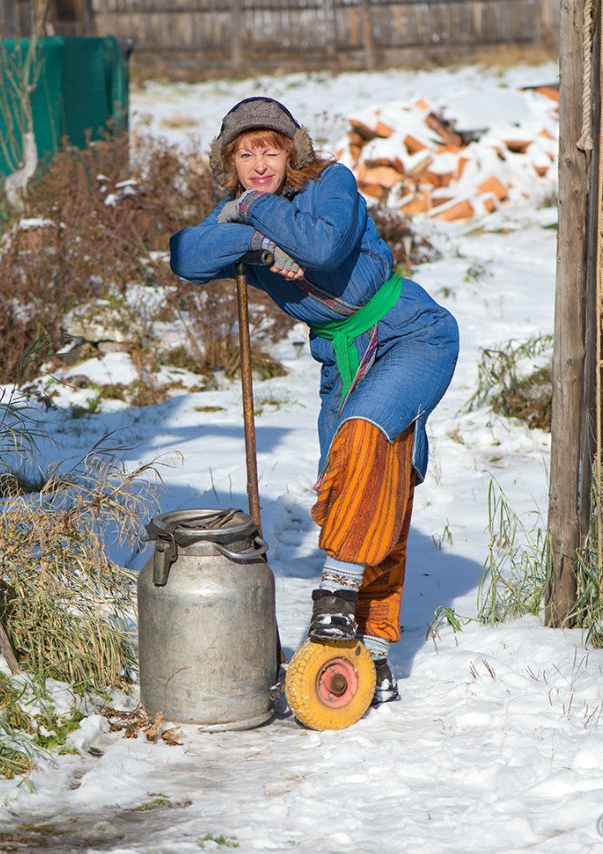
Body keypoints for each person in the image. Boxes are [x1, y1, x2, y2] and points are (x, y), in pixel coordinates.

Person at [169, 97, 459, 703]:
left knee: (363, 439)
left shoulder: (332, 183)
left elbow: (324, 248)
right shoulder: (252, 217)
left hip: (410, 334)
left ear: (291, 150)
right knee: (373, 485)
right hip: (340, 362)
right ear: (231, 160)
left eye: (269, 149)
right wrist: (253, 239)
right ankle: (375, 653)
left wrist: (252, 213)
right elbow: (186, 255)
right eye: (244, 154)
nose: (257, 163)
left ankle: (333, 603)